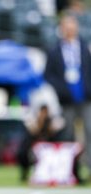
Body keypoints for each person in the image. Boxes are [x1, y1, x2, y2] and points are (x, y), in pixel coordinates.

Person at [44, 14, 91, 182]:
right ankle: (71, 171)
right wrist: (62, 90)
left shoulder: (85, 47)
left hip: (86, 98)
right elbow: (48, 75)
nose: (70, 29)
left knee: (89, 131)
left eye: (72, 26)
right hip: (66, 100)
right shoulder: (54, 50)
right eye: (66, 26)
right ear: (61, 29)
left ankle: (89, 168)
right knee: (67, 134)